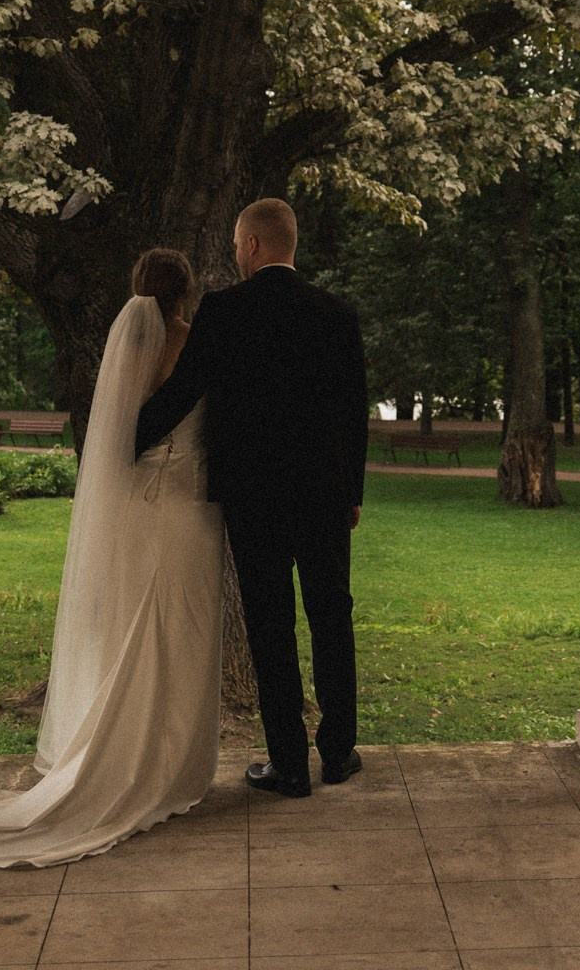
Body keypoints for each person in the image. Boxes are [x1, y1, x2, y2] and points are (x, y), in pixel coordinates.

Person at [0, 249, 222, 866]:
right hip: (187, 509)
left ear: (139, 287)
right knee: (179, 633)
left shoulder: (127, 348)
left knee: (134, 631)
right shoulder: (200, 344)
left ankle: (124, 752)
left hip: (136, 509)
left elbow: (116, 433)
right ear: (187, 290)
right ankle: (165, 762)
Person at [135, 197, 369, 799]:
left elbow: (183, 392)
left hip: (253, 498)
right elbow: (352, 417)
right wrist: (354, 494)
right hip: (324, 498)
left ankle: (289, 764)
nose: (238, 254)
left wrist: (123, 438)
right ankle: (339, 752)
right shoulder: (336, 313)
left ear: (255, 246)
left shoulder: (224, 311)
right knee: (331, 616)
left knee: (270, 626)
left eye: (240, 245)